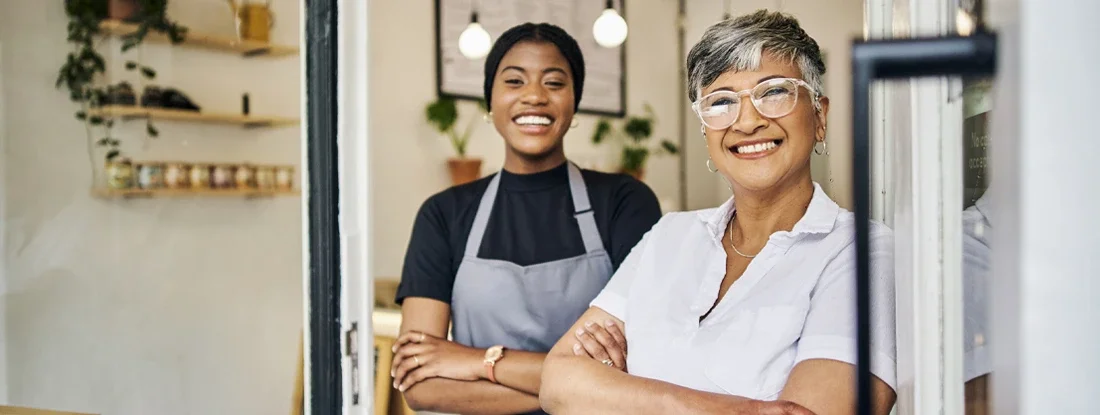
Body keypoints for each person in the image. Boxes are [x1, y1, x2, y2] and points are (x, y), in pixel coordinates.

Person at [540, 10, 898, 415]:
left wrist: (620, 389)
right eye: (722, 101)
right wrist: (739, 408)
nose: (747, 121)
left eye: (775, 91)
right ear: (706, 131)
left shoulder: (862, 252)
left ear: (819, 115)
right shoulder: (669, 235)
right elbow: (558, 380)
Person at [390, 22, 663, 415]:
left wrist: (478, 361)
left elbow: (639, 367)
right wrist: (585, 384)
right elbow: (420, 385)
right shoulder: (444, 214)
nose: (534, 96)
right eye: (514, 81)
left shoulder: (625, 202)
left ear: (574, 102)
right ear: (491, 101)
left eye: (554, 83)